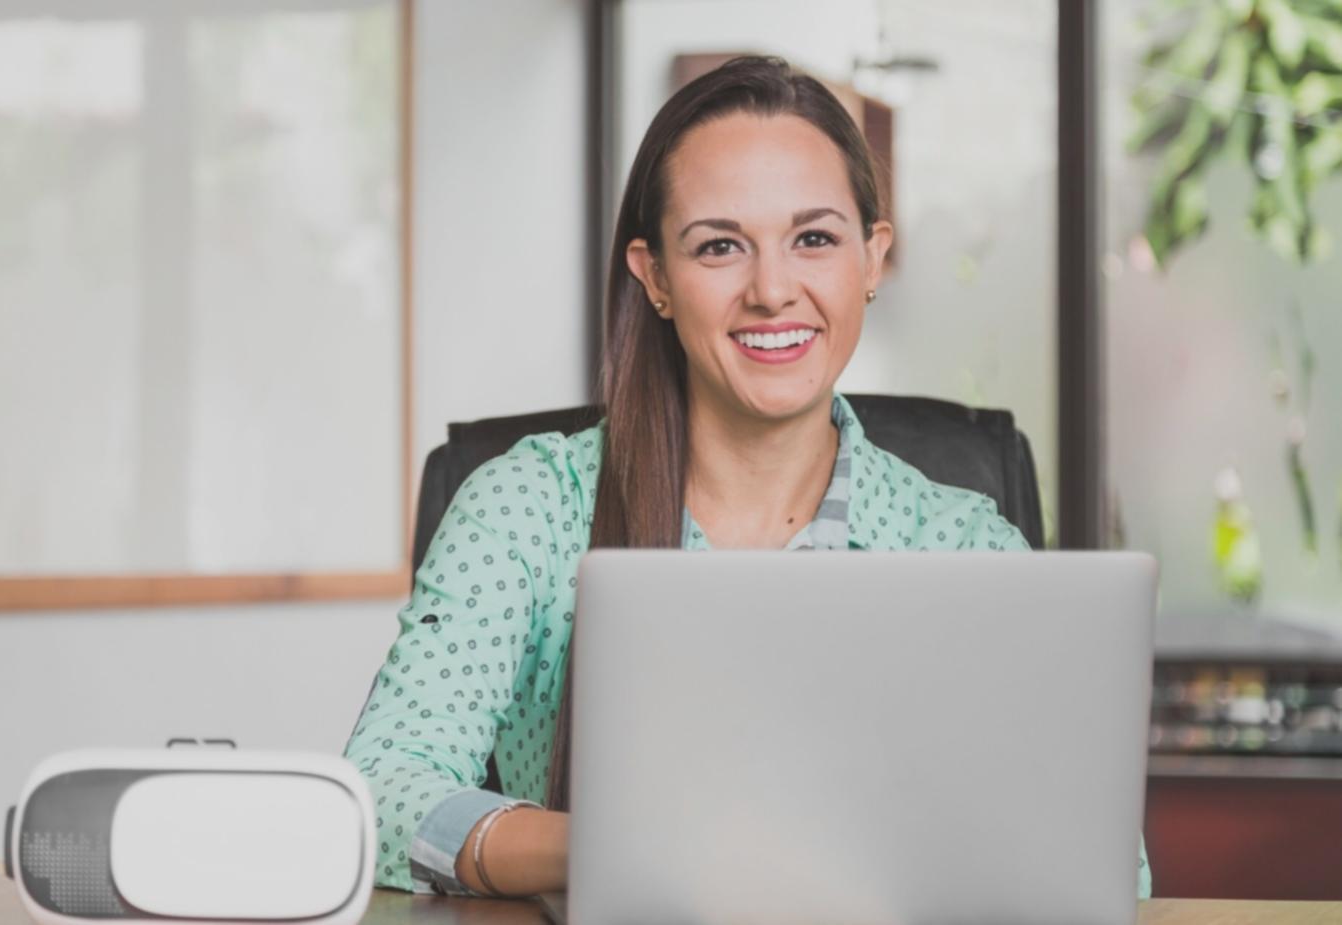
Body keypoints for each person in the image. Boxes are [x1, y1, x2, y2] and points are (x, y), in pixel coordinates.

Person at [344, 55, 1151, 900]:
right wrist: (617, 850)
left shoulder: (970, 546)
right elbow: (384, 793)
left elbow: (1105, 862)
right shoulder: (529, 508)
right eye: (720, 245)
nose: (773, 290)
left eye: (814, 238)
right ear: (654, 276)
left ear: (871, 259)